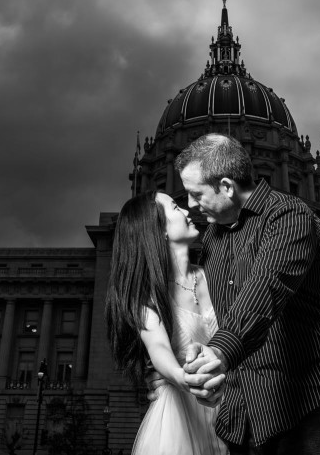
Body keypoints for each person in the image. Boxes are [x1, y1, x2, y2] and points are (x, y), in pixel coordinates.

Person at [176, 133, 320, 455]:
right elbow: (214, 318)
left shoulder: (290, 215)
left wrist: (219, 352)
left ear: (226, 186)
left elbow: (267, 287)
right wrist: (199, 374)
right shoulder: (211, 241)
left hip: (307, 407)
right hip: (241, 417)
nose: (190, 204)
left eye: (195, 193)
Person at [105, 190, 227, 455]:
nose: (186, 211)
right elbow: (158, 348)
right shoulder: (147, 296)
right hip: (179, 418)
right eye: (175, 207)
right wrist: (183, 378)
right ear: (160, 230)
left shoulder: (216, 276)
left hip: (229, 414)